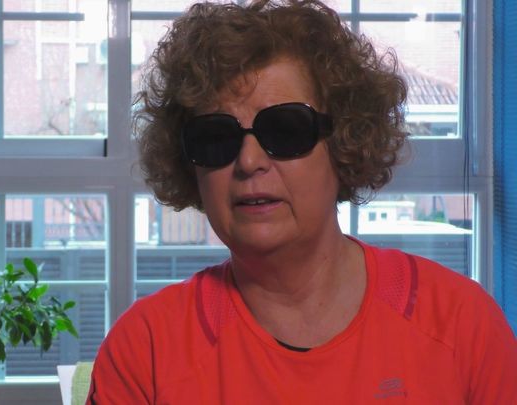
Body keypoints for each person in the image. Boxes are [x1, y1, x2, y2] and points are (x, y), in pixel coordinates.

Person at [88, 0, 517, 403]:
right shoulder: (144, 351)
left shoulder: (462, 324)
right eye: (216, 138)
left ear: (346, 143)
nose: (249, 161)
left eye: (285, 131)